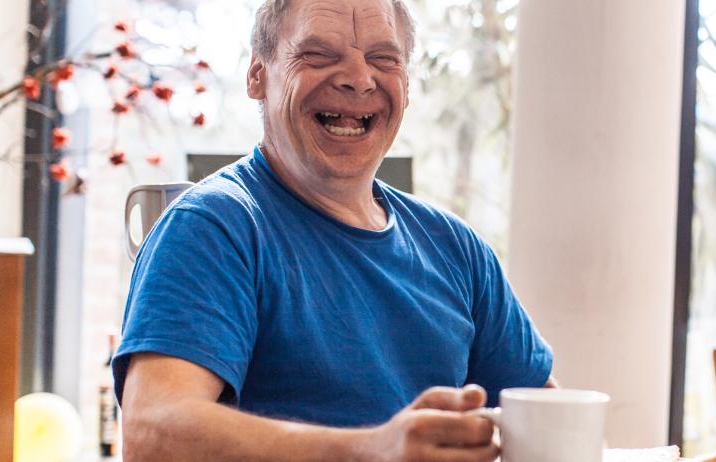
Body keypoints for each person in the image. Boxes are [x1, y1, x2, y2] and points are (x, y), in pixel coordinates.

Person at [113, 0, 554, 460]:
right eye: (319, 55)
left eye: (384, 59)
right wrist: (373, 450)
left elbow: (546, 419)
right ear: (257, 75)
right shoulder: (213, 228)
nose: (358, 78)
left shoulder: (457, 249)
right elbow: (152, 435)